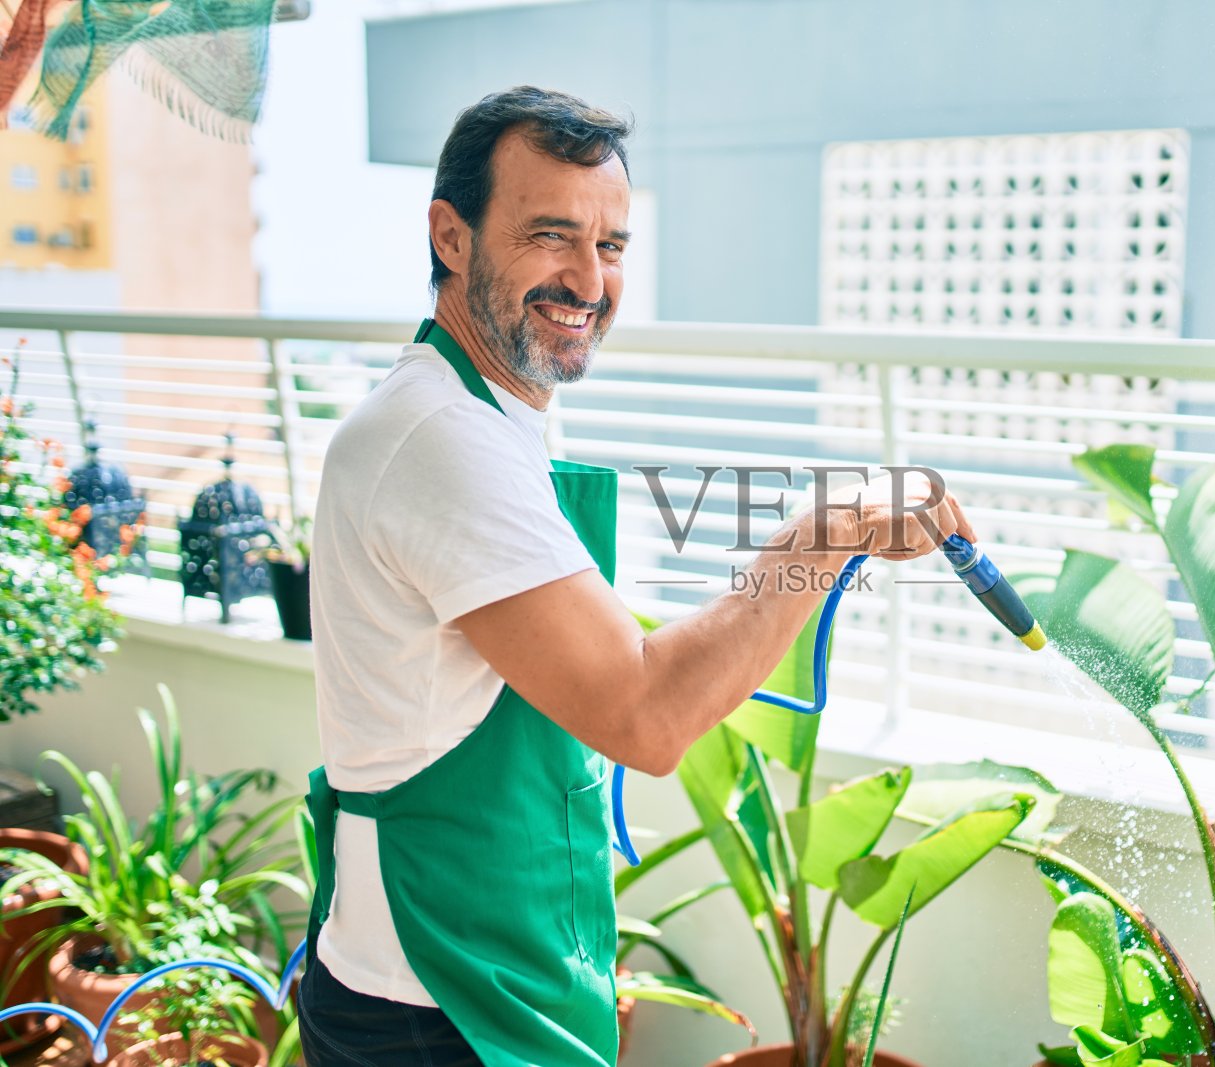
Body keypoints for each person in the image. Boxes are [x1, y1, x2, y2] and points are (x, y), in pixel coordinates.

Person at [295, 85, 973, 1067]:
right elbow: (646, 716)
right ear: (452, 235)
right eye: (550, 236)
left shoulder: (486, 411)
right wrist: (820, 538)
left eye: (610, 246)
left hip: (479, 972)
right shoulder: (442, 439)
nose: (587, 279)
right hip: (440, 1005)